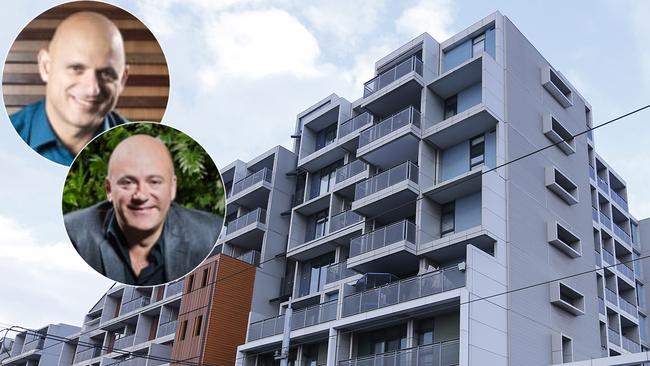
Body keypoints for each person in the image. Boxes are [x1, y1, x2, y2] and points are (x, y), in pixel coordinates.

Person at [64, 135, 223, 286]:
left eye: (154, 182)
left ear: (172, 188)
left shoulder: (210, 236)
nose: (141, 195)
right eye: (127, 182)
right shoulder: (73, 236)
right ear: (109, 189)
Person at [10, 11, 129, 166]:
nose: (92, 89)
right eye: (76, 69)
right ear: (45, 67)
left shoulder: (143, 145)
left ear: (122, 79)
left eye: (106, 73)